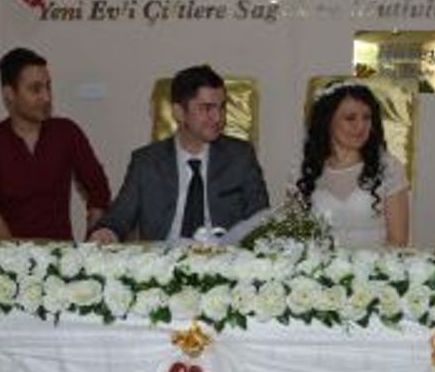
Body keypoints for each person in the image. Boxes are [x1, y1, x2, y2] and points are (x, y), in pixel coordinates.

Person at [91, 64, 269, 243]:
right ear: (179, 112)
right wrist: (106, 232)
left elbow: (261, 220)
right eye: (207, 108)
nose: (218, 118)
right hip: (162, 257)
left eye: (221, 107)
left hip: (223, 256)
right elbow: (119, 217)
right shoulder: (146, 162)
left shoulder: (240, 157)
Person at [0, 47, 111, 240]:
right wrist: (15, 255)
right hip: (7, 252)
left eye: (48, 87)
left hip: (61, 252)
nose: (46, 97)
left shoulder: (67, 132)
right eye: (35, 89)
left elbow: (99, 190)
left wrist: (90, 244)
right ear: (9, 94)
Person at [295, 81, 409, 248]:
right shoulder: (304, 170)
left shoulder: (389, 168)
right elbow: (294, 237)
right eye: (350, 118)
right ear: (327, 121)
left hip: (376, 264)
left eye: (367, 118)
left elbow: (398, 241)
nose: (360, 126)